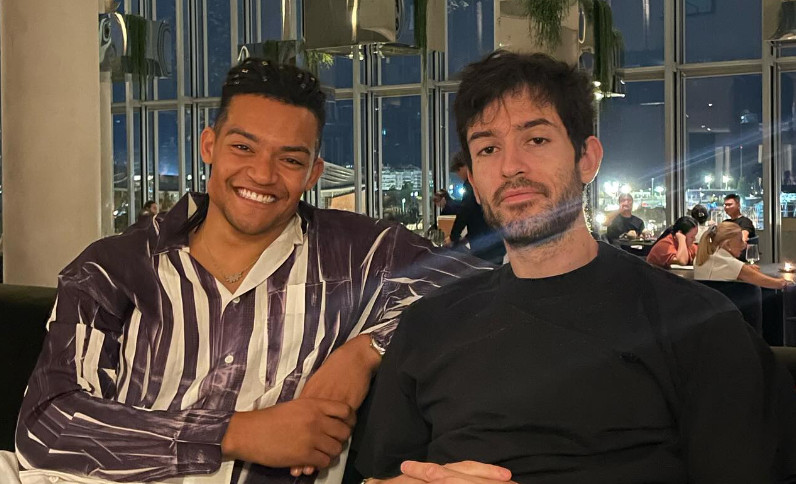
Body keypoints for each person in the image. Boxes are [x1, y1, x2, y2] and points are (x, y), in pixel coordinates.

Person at [10, 59, 497, 484]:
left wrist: (365, 352)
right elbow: (47, 426)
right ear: (210, 145)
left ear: (313, 173)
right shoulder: (117, 266)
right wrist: (235, 433)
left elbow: (480, 284)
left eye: (290, 159)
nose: (263, 175)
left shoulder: (357, 256)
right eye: (243, 148)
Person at [356, 50, 795, 483]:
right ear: (472, 178)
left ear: (587, 159)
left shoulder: (698, 324)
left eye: (536, 140)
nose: (511, 166)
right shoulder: (427, 327)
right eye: (488, 148)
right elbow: (382, 475)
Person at [433, 152, 505, 264]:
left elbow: (466, 211)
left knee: (484, 270)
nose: (459, 176)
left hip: (484, 244)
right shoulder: (486, 180)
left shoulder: (471, 185)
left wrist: (453, 237)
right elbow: (478, 213)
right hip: (496, 238)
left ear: (464, 167)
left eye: (458, 172)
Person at [695, 222, 791, 289]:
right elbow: (775, 283)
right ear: (728, 244)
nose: (744, 245)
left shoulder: (702, 257)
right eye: (740, 240)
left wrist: (745, 268)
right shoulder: (729, 263)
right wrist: (787, 282)